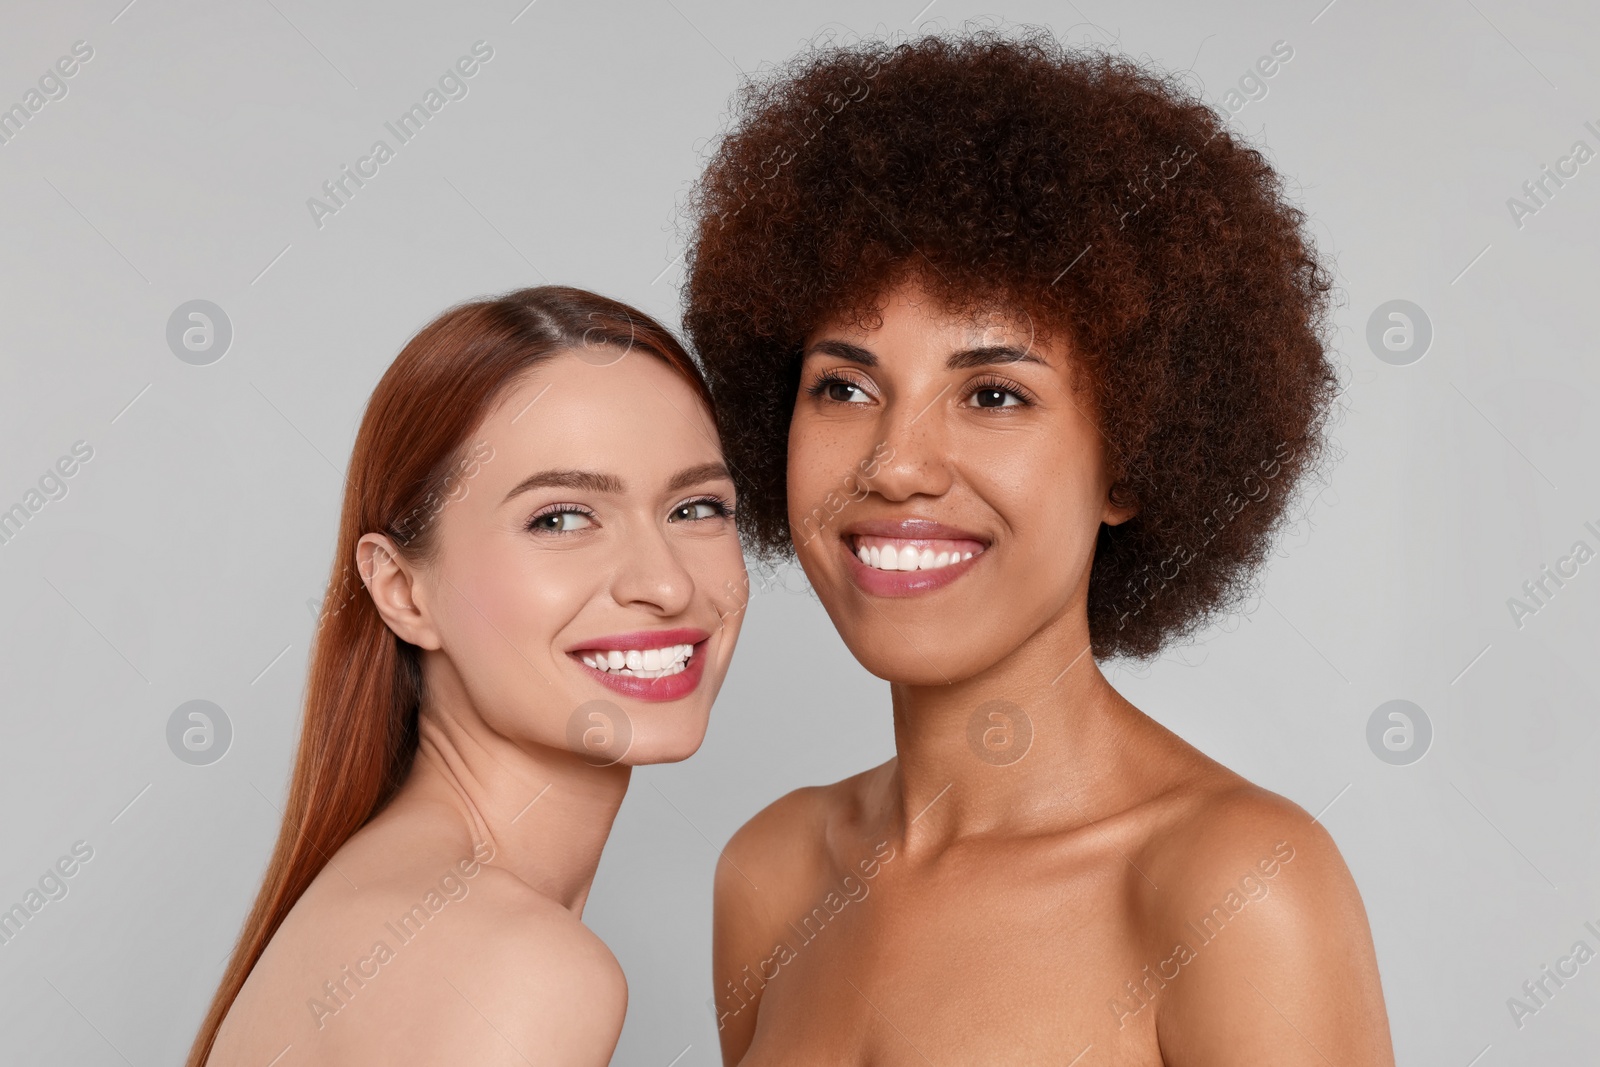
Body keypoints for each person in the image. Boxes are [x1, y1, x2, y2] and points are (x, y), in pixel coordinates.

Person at [684, 30, 1395, 1065]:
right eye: (843, 386)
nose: (895, 464)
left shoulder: (1232, 887)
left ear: (1131, 461)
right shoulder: (774, 872)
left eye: (992, 393)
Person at [190, 286, 748, 1066]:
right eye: (560, 518)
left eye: (696, 507)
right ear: (401, 589)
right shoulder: (514, 968)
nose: (666, 584)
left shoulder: (392, 903)